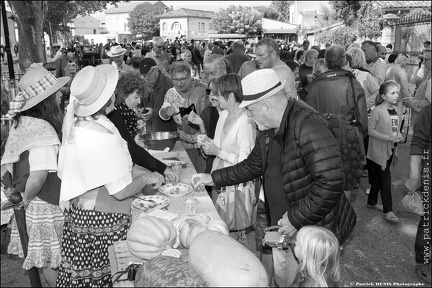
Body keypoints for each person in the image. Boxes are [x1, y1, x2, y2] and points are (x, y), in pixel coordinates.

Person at [191, 69, 356, 285]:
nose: (248, 116)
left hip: (308, 233)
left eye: (250, 110)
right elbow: (253, 165)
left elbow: (331, 182)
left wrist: (295, 218)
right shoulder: (268, 126)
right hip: (285, 228)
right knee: (283, 278)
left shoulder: (308, 125)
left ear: (266, 106)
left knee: (301, 281)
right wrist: (213, 178)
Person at [56, 64, 165, 286]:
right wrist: (146, 177)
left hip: (85, 216)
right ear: (108, 97)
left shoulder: (88, 123)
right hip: (101, 220)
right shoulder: (99, 135)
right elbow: (120, 191)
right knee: (106, 278)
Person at [1, 65, 69, 286]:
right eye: (57, 92)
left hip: (33, 202)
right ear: (46, 100)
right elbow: (38, 176)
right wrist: (27, 199)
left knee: (50, 261)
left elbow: (7, 163)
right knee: (53, 262)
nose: (61, 94)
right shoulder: (43, 129)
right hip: (43, 204)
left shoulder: (22, 123)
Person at [108, 71, 177, 183]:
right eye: (136, 97)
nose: (139, 101)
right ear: (124, 94)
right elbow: (133, 150)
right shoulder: (116, 115)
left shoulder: (125, 112)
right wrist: (163, 169)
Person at [197, 74, 256, 203]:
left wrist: (218, 152)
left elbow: (248, 164)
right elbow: (219, 145)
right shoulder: (224, 114)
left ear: (230, 96)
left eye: (218, 95)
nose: (216, 98)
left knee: (231, 223)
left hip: (237, 188)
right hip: (219, 181)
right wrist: (207, 142)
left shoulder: (246, 122)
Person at [159, 62, 209, 173]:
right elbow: (163, 114)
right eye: (175, 80)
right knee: (190, 173)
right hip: (184, 143)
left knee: (204, 173)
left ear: (190, 77)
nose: (179, 83)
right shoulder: (171, 94)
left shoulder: (201, 89)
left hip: (204, 142)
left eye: (182, 79)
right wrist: (167, 111)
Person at [366, 80, 403, 224]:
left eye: (397, 93)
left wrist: (397, 135)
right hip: (378, 152)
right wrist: (389, 138)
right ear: (383, 96)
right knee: (386, 181)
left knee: (377, 179)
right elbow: (370, 130)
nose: (396, 96)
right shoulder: (377, 111)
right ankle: (388, 211)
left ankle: (372, 202)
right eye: (392, 93)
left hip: (389, 150)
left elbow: (394, 127)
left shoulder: (395, 110)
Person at [404, 103, 431, 283]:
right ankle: (423, 261)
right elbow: (418, 142)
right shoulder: (428, 112)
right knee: (429, 220)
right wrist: (414, 176)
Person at [139, 58, 176, 133]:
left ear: (156, 69)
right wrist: (140, 109)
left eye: (148, 74)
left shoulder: (168, 83)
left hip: (165, 131)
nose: (146, 78)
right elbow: (143, 103)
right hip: (150, 129)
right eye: (143, 75)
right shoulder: (144, 85)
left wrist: (154, 113)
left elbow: (173, 109)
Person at [403, 48, 431, 125]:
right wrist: (413, 99)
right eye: (423, 60)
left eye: (426, 59)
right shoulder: (427, 77)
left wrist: (411, 102)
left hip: (423, 125)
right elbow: (424, 96)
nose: (423, 63)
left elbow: (428, 103)